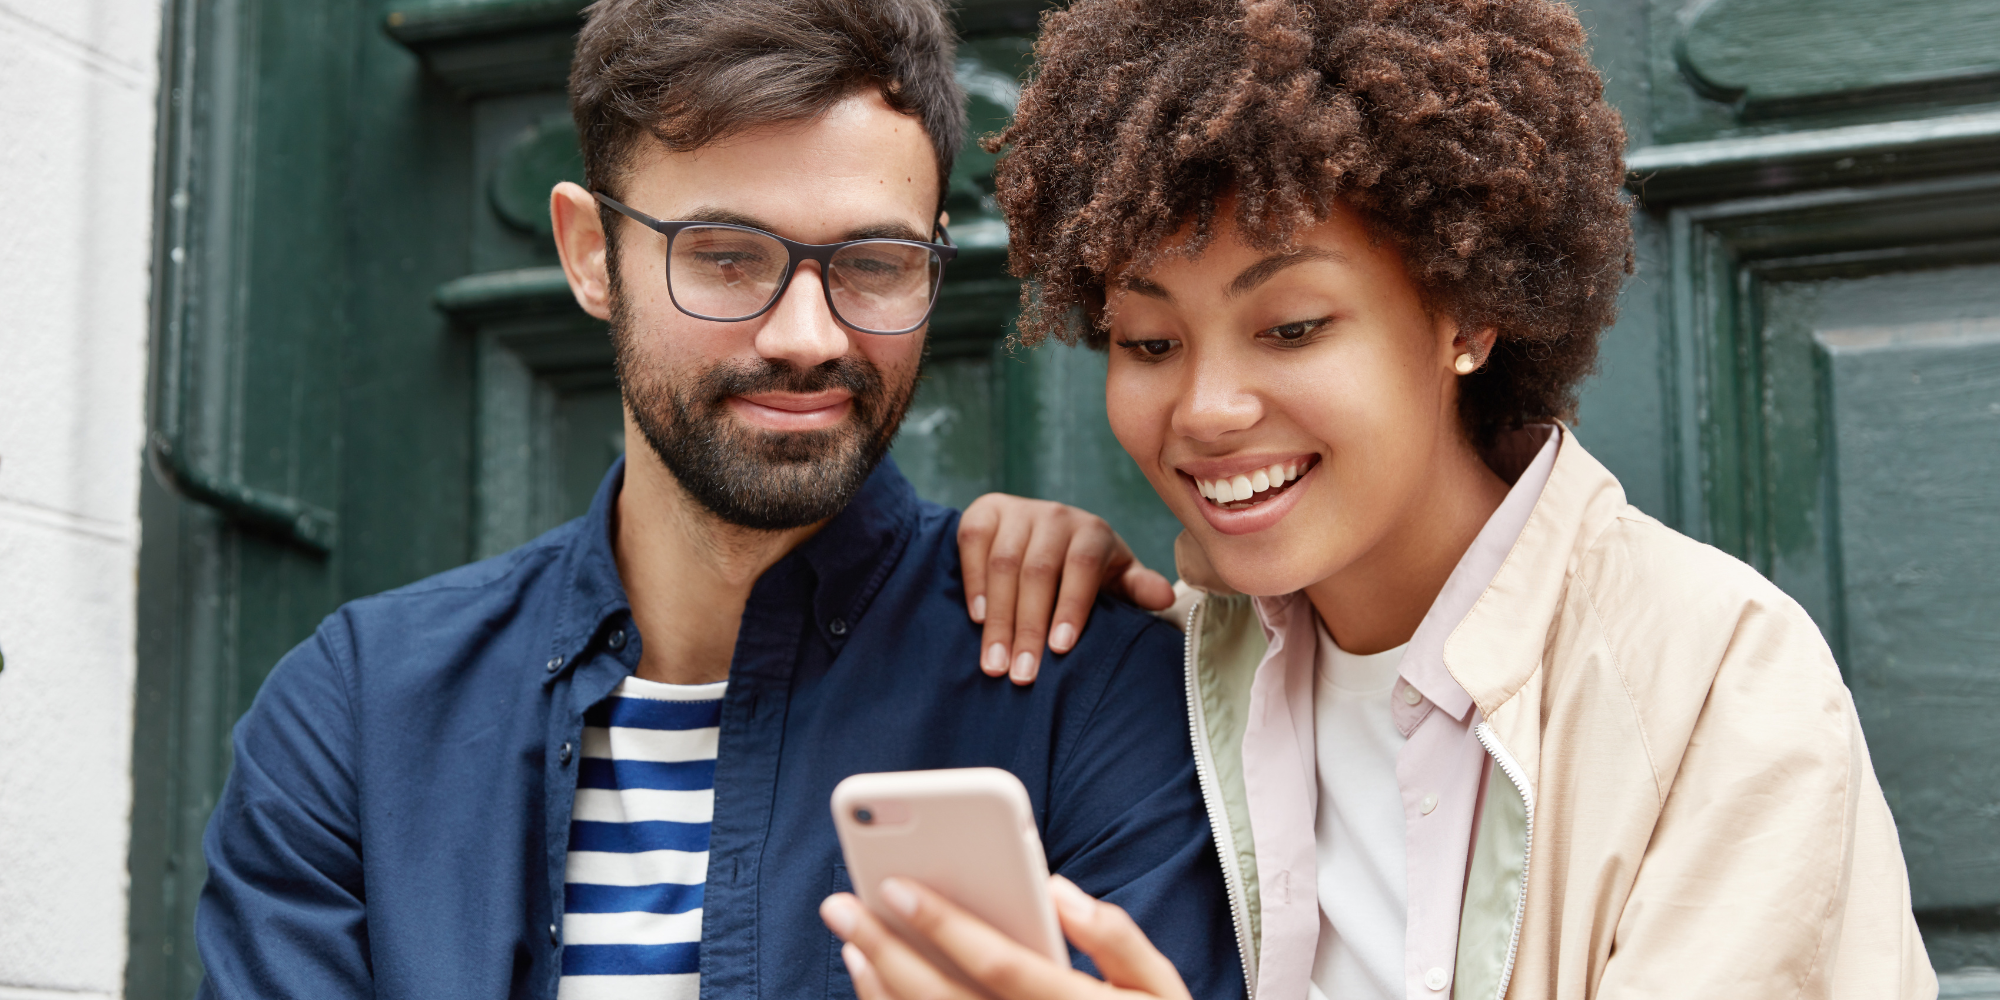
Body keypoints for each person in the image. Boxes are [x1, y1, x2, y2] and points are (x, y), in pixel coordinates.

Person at [823, 1, 1940, 998]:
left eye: (1292, 327)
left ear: (1465, 314)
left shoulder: (1718, 682)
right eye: (1147, 340)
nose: (1206, 409)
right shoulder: (1163, 661)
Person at [191, 2, 1243, 998]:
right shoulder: (358, 714)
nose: (805, 337)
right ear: (589, 254)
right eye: (727, 257)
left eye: (872, 263)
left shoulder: (1089, 693)